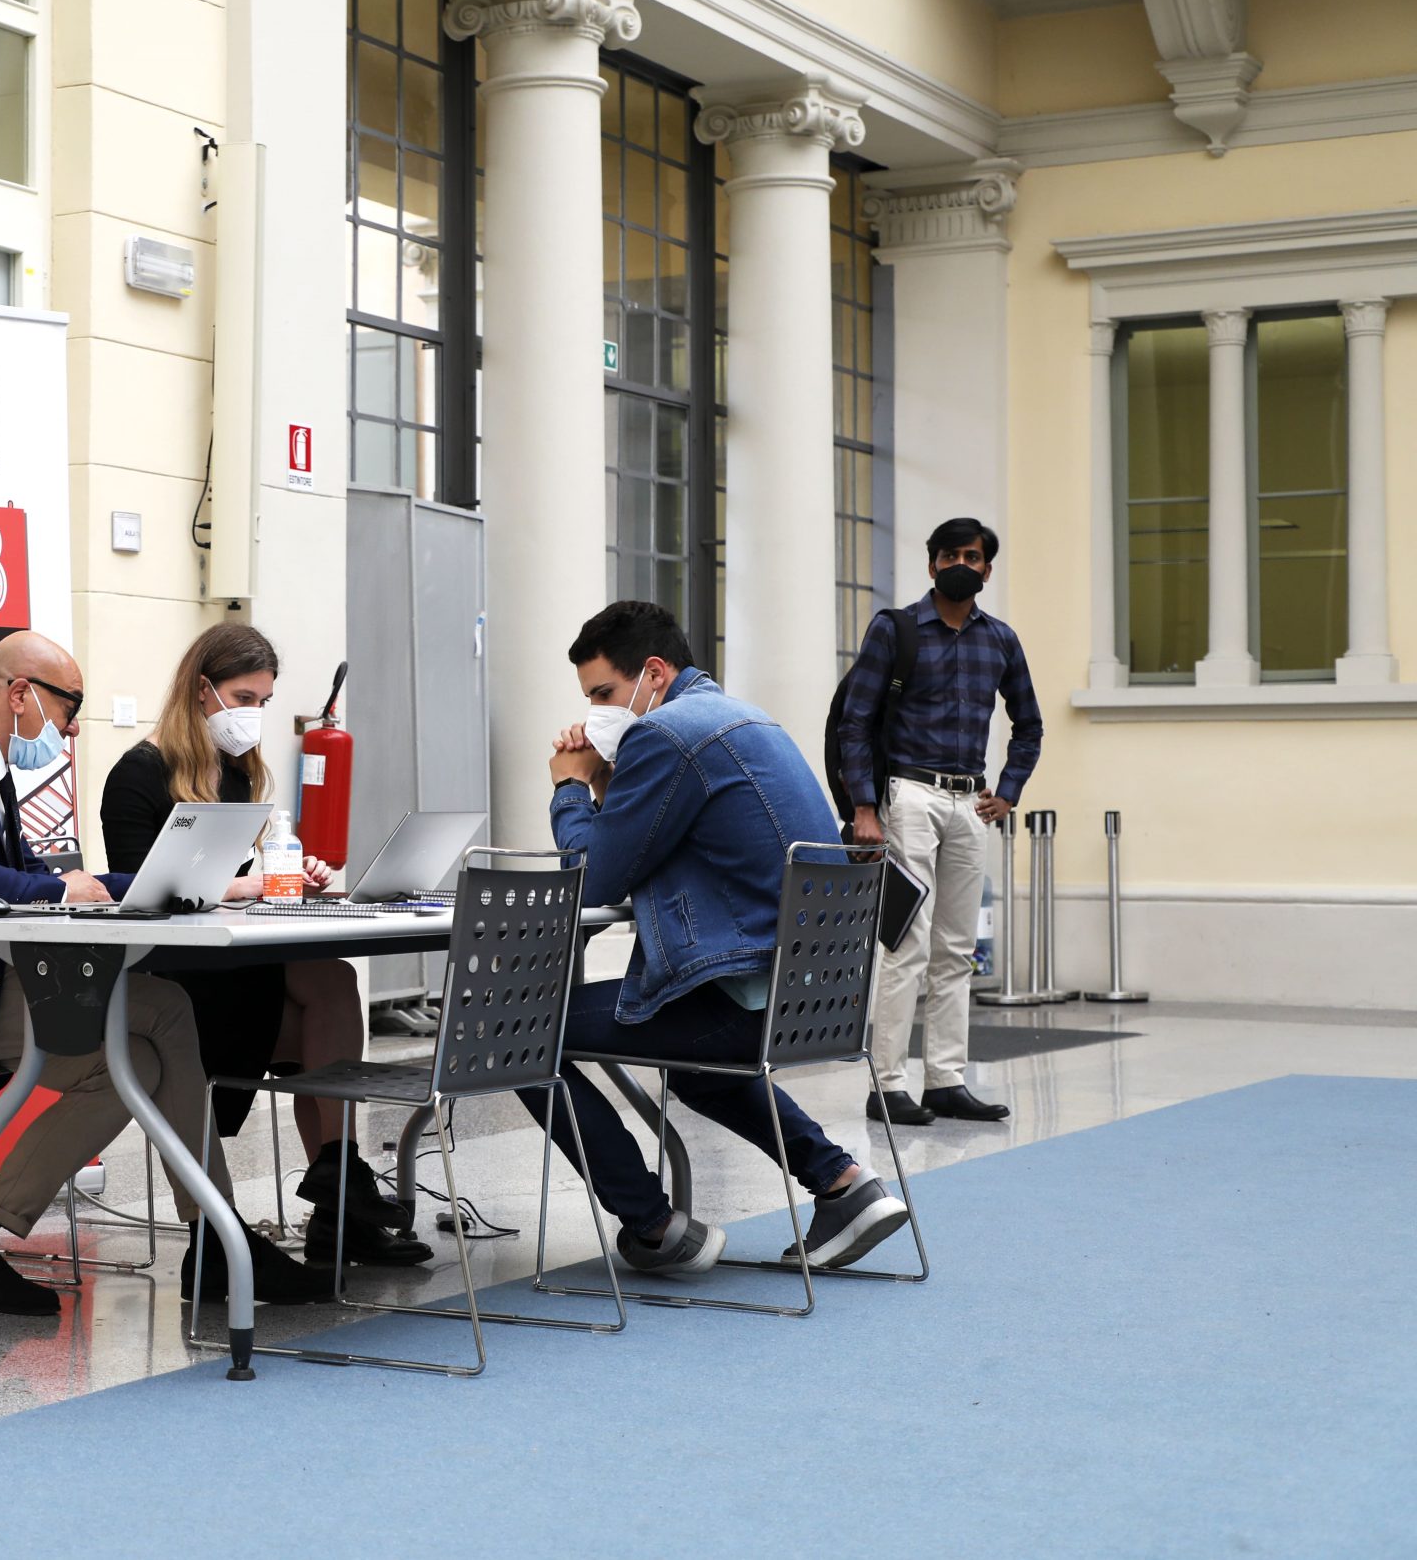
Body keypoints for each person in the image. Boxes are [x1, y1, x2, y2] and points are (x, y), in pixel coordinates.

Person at [0, 631, 327, 1316]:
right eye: (70, 705)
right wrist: (63, 891)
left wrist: (207, 887)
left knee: (142, 1048)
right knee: (157, 1015)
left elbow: (38, 878)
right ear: (21, 692)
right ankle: (213, 1235)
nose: (73, 725)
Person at [525, 601, 912, 1276]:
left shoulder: (666, 734)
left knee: (520, 1029)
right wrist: (610, 779)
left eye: (603, 694)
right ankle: (843, 1184)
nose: (593, 714)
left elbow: (593, 881)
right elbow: (655, 843)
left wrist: (569, 786)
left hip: (739, 1002)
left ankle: (653, 1224)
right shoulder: (746, 718)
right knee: (698, 1076)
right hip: (806, 1002)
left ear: (653, 671)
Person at [100, 624, 430, 1268]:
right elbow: (146, 895)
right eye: (243, 698)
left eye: (262, 702)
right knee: (323, 996)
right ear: (203, 691)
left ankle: (338, 1187)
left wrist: (289, 878)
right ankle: (341, 1203)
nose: (252, 715)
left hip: (234, 963)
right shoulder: (136, 775)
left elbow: (234, 882)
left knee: (332, 979)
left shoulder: (236, 772)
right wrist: (252, 882)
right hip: (180, 981)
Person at [839, 517, 1043, 1126]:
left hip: (968, 803)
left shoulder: (1000, 640)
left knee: (956, 950)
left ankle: (946, 1080)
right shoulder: (895, 629)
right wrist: (865, 808)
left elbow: (1029, 725)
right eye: (950, 554)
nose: (962, 563)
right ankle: (888, 1085)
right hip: (908, 797)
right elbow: (856, 721)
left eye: (973, 556)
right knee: (905, 944)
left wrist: (1007, 793)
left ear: (986, 568)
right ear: (931, 565)